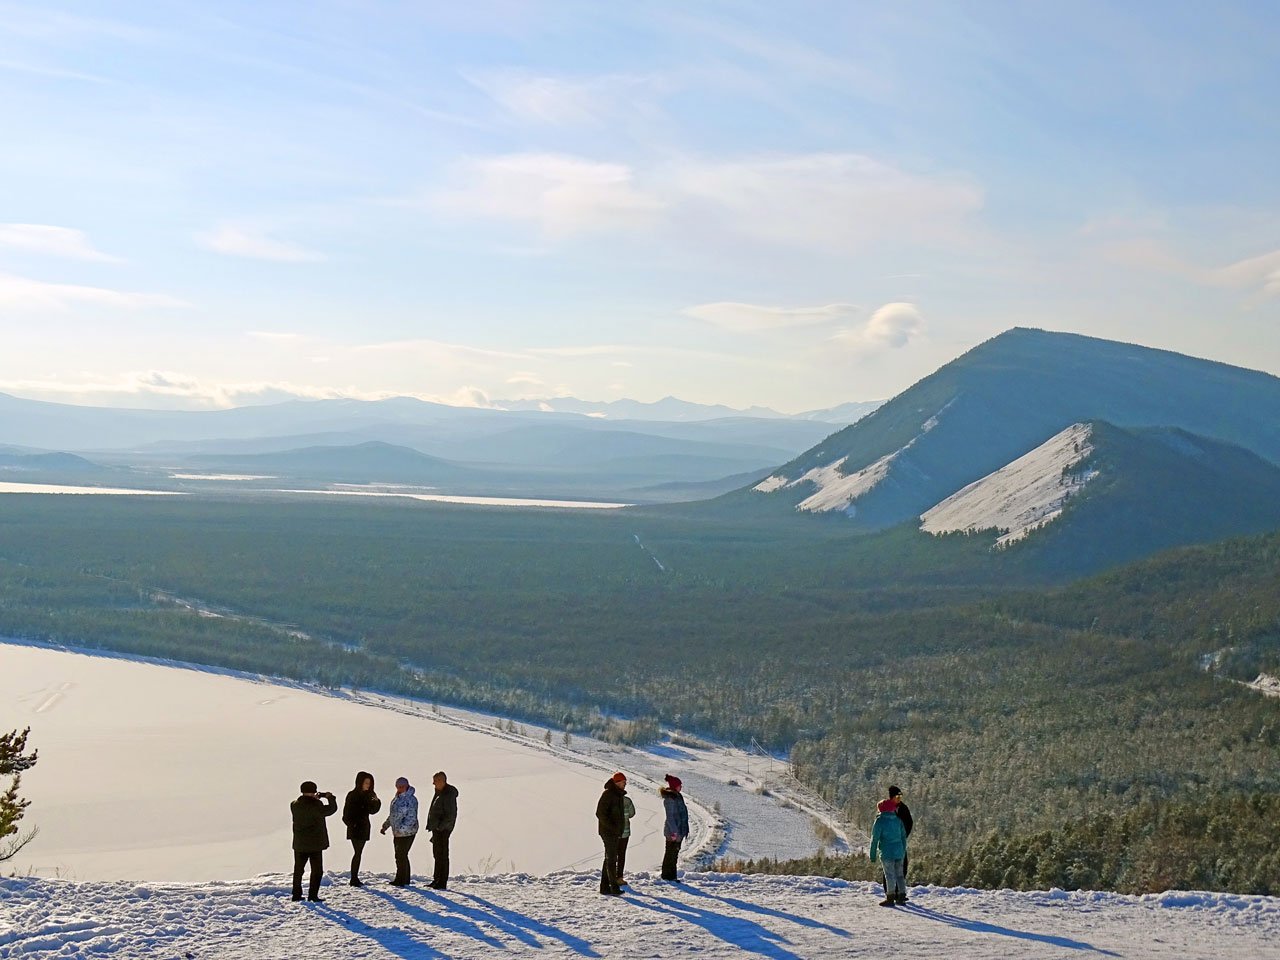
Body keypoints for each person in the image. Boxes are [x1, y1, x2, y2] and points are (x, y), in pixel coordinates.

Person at [290, 780, 338, 902]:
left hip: (300, 843)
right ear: (314, 791)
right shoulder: (317, 805)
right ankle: (313, 895)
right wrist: (330, 797)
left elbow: (306, 808)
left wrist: (316, 800)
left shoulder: (294, 805)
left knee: (298, 870)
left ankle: (296, 894)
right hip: (315, 844)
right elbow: (332, 809)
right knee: (317, 871)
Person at [342, 771, 381, 887]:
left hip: (364, 827)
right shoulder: (352, 795)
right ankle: (354, 878)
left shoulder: (369, 795)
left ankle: (354, 878)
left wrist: (376, 801)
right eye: (366, 782)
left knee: (358, 852)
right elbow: (346, 814)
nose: (368, 785)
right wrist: (351, 825)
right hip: (355, 827)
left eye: (369, 783)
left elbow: (373, 811)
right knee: (357, 852)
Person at [380, 776, 419, 886]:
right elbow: (393, 815)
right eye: (398, 786)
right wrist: (386, 825)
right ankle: (403, 879)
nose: (399, 788)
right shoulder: (397, 798)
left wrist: (401, 830)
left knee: (401, 855)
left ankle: (401, 880)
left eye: (402, 786)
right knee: (400, 855)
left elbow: (411, 818)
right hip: (397, 833)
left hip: (408, 833)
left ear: (407, 786)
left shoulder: (411, 799)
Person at [869, 796, 908, 906]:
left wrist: (872, 855)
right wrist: (903, 851)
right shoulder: (898, 821)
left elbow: (874, 839)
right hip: (899, 851)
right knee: (900, 875)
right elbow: (903, 838)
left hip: (887, 852)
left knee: (889, 875)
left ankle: (890, 897)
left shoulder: (879, 821)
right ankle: (902, 896)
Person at [425, 770, 458, 890]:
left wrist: (440, 827)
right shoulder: (439, 792)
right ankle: (436, 879)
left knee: (442, 855)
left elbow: (451, 814)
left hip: (443, 829)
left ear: (442, 781)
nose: (433, 783)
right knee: (437, 854)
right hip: (437, 828)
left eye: (436, 781)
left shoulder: (448, 794)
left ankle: (442, 881)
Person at [595, 772, 627, 895]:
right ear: (618, 782)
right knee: (612, 859)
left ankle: (605, 887)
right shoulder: (608, 794)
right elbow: (600, 813)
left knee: (609, 859)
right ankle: (613, 887)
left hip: (614, 832)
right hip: (608, 832)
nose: (625, 785)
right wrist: (612, 827)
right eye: (623, 782)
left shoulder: (617, 795)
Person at [660, 774, 689, 882]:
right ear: (674, 786)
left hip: (678, 831)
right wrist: (674, 832)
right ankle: (667, 876)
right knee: (670, 854)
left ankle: (672, 876)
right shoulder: (670, 799)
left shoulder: (677, 796)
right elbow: (670, 816)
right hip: (673, 831)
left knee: (674, 854)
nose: (681, 787)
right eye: (679, 785)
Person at [888, 785, 913, 883]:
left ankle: (900, 892)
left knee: (903, 867)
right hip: (888, 843)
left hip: (900, 841)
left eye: (900, 797)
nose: (899, 799)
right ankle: (889, 893)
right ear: (892, 797)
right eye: (897, 797)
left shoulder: (903, 808)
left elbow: (909, 822)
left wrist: (904, 835)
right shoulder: (885, 808)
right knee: (888, 869)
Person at [617, 783, 636, 887]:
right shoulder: (627, 801)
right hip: (625, 831)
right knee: (621, 855)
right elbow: (632, 814)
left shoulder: (612, 799)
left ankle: (610, 876)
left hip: (614, 832)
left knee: (611, 856)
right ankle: (619, 877)